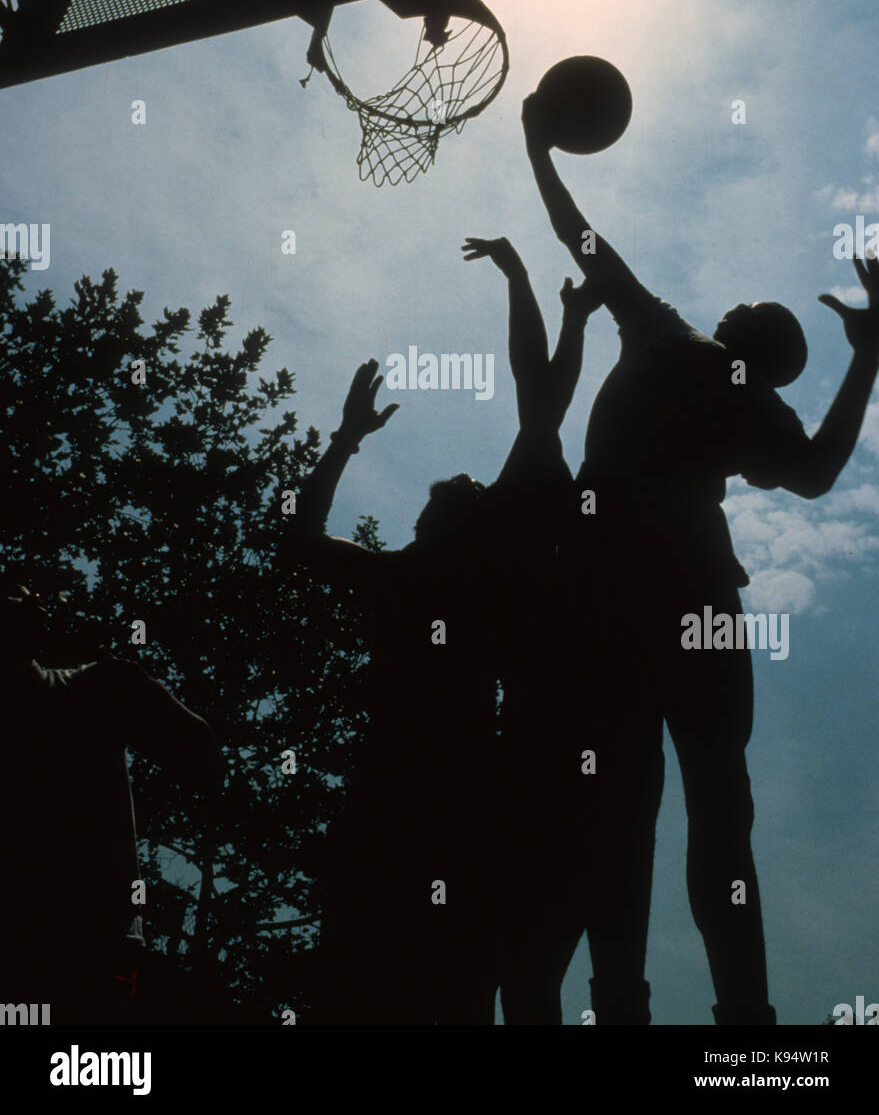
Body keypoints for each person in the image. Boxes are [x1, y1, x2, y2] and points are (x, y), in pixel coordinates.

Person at [521, 92, 879, 1025]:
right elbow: (815, 475)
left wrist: (537, 145)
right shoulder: (750, 403)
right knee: (719, 812)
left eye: (749, 304)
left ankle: (626, 1004)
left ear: (747, 335)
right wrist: (870, 358)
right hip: (694, 602)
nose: (737, 297)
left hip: (613, 594)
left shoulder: (666, 335)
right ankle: (744, 1024)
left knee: (626, 813)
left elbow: (580, 238)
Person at [281, 240, 600, 1024]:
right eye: (458, 483)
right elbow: (544, 400)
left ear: (435, 523)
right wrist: (553, 303)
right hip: (450, 796)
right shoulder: (471, 582)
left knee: (382, 975)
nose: (466, 477)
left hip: (415, 794)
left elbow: (296, 536)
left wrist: (347, 437)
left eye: (464, 485)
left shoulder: (417, 579)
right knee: (433, 979)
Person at [0, 579, 226, 1024]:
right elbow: (204, 758)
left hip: (95, 945)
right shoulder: (96, 687)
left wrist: (129, 682)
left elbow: (202, 754)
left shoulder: (98, 686)